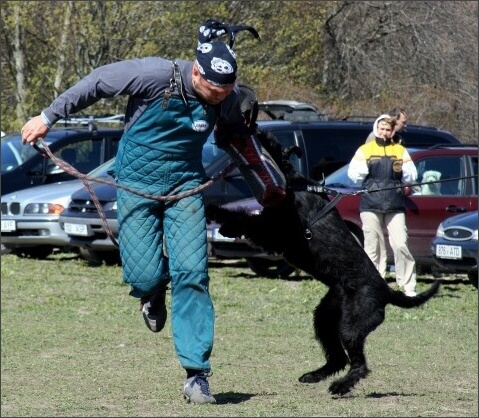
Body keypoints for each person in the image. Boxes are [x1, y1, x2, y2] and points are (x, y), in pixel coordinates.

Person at [20, 19, 286, 405]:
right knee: (143, 275)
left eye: (224, 92)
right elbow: (95, 83)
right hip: (136, 186)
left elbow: (236, 138)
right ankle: (151, 293)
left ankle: (197, 374)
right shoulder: (153, 75)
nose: (218, 99)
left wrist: (267, 185)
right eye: (213, 90)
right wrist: (47, 118)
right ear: (197, 72)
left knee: (192, 273)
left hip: (185, 189)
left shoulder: (225, 98)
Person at [347, 114, 418, 296]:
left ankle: (408, 286)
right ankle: (375, 285)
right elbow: (354, 174)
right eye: (382, 129)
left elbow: (411, 175)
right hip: (370, 203)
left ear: (392, 131)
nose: (385, 133)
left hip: (395, 203)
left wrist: (405, 176)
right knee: (373, 246)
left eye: (388, 129)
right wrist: (364, 169)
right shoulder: (365, 149)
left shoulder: (400, 150)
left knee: (401, 244)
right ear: (376, 129)